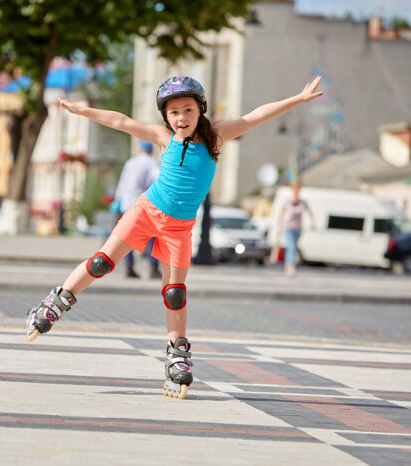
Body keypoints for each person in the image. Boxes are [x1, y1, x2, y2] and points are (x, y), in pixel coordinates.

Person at [25, 75, 323, 399]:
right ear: (166, 116)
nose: (181, 118)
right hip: (145, 212)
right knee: (101, 262)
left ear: (201, 110)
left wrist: (297, 99)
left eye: (188, 110)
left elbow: (256, 116)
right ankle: (54, 303)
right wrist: (84, 112)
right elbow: (122, 121)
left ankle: (176, 355)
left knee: (175, 294)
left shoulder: (216, 137)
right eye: (174, 112)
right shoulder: (163, 137)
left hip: (179, 227)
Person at [114, 141, 161, 278]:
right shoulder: (152, 163)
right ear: (151, 150)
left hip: (127, 203)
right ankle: (153, 267)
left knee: (128, 236)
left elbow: (122, 183)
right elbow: (157, 179)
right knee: (152, 236)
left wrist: (119, 201)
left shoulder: (130, 163)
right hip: (144, 203)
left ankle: (129, 266)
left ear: (140, 149)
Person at [276, 181, 316, 277]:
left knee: (292, 248)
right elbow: (281, 215)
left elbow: (310, 212)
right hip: (288, 227)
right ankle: (291, 267)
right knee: (292, 246)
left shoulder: (303, 202)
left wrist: (312, 223)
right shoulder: (287, 202)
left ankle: (287, 264)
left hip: (298, 229)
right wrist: (279, 227)